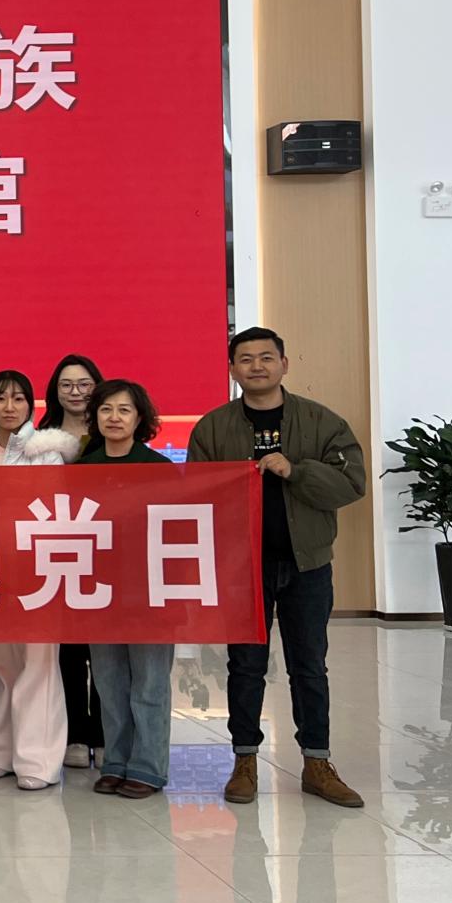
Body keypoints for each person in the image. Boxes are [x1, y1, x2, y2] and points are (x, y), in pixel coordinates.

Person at [189, 327, 368, 809]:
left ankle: (317, 763)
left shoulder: (321, 421)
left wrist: (296, 471)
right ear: (233, 369)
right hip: (242, 567)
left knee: (309, 665)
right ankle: (244, 761)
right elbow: (195, 495)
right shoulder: (212, 428)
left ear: (284, 364)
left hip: (307, 564)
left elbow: (352, 483)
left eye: (266, 357)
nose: (257, 366)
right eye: (245, 359)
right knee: (245, 666)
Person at [0, 370, 80, 790]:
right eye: (1, 398)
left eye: (19, 399)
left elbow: (55, 512)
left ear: (31, 405)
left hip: (37, 570)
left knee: (39, 663)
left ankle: (39, 759)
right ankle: (1, 749)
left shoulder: (46, 452)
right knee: (0, 663)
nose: (9, 407)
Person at [80, 379, 177, 798]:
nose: (114, 418)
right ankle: (116, 762)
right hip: (100, 591)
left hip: (149, 591)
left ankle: (148, 767)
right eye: (106, 409)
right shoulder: (83, 469)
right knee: (108, 682)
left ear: (140, 419)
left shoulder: (159, 468)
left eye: (124, 410)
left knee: (149, 682)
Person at [41, 353, 107, 772]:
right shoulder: (41, 437)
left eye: (84, 384)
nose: (76, 392)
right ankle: (76, 735)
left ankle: (103, 733)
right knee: (67, 651)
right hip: (57, 553)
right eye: (67, 385)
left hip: (103, 554)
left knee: (104, 651)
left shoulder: (112, 431)